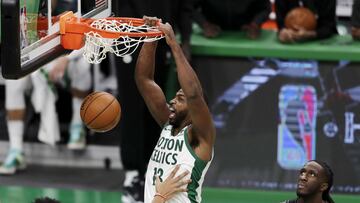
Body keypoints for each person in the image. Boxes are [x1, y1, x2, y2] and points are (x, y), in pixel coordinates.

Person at [112, 1, 194, 202]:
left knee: (155, 108)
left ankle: (150, 170)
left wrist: (186, 39)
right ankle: (132, 174)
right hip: (128, 38)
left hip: (159, 36)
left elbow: (185, 6)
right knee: (132, 107)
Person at [136, 17, 215, 203]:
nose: (171, 101)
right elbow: (144, 80)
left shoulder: (200, 136)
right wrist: (150, 37)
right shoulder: (168, 125)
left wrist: (173, 44)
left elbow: (194, 94)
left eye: (180, 99)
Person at [193, 0, 271, 39]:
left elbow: (265, 8)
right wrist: (204, 24)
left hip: (246, 35)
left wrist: (255, 23)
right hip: (212, 36)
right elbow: (189, 6)